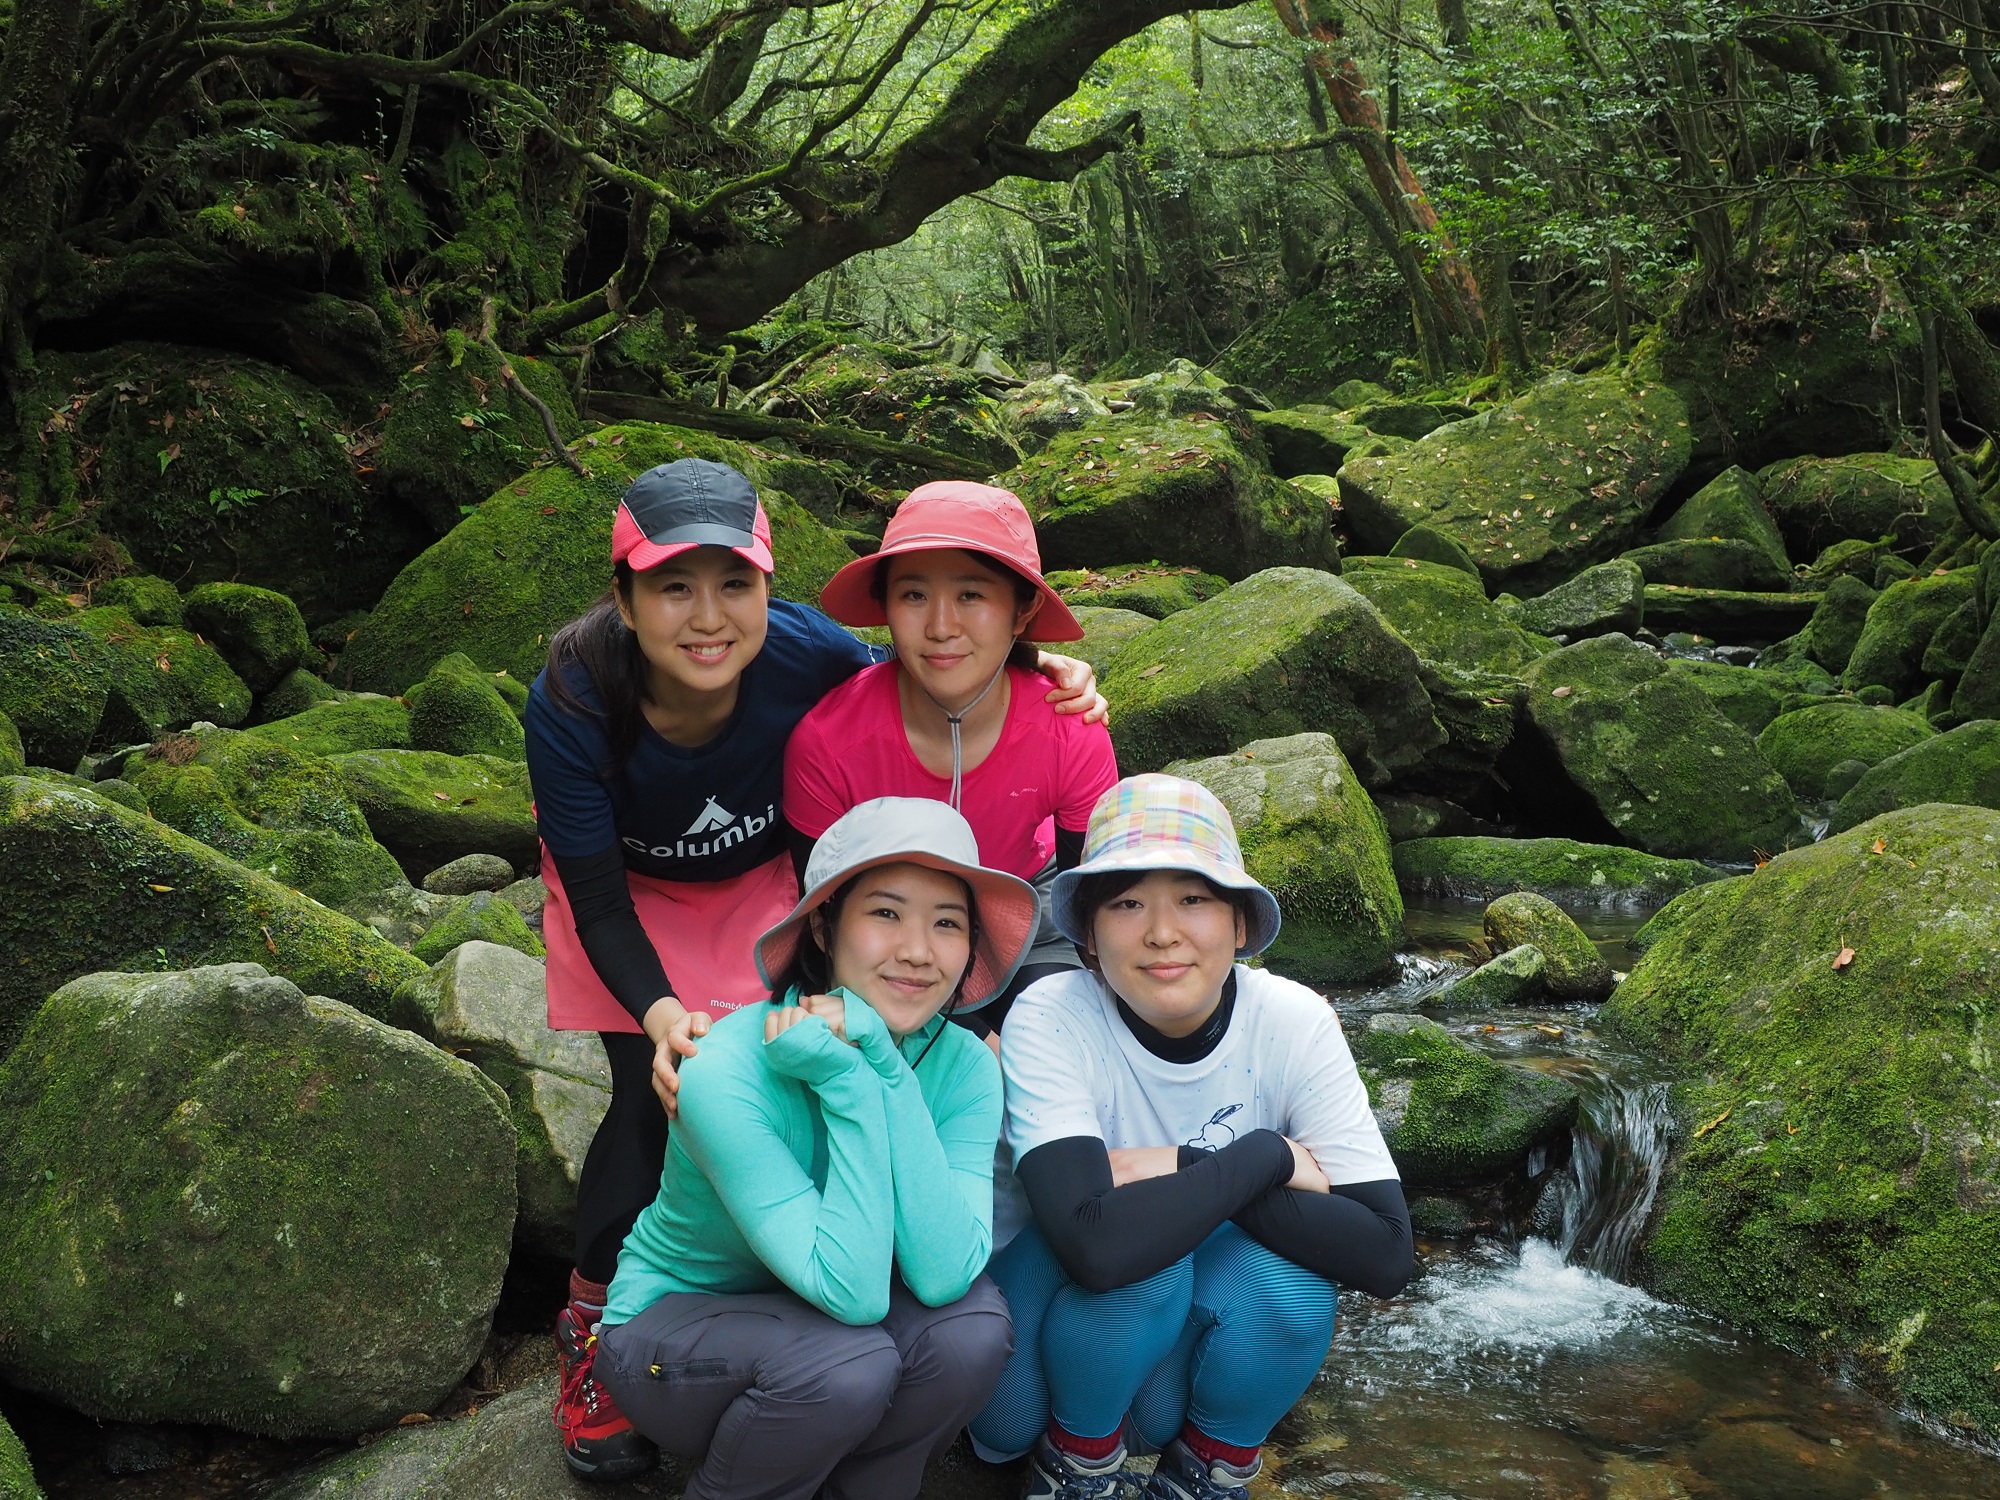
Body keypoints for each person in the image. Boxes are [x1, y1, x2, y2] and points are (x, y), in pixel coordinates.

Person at [525, 458, 1104, 1479]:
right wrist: (660, 1014)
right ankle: (595, 1325)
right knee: (646, 1091)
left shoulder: (806, 652)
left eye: (733, 585)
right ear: (621, 598)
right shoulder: (574, 699)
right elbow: (598, 898)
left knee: (790, 1068)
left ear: (767, 585)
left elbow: (925, 675)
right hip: (625, 898)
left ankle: (798, 1251)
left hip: (758, 880)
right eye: (671, 587)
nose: (707, 618)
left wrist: (1043, 674)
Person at [970, 774, 1413, 1500]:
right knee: (1147, 1256)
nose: (1162, 931)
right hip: (1038, 1359)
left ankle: (1204, 1467)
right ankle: (1074, 1464)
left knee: (1295, 1287)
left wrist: (1178, 1167)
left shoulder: (1292, 1020)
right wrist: (1264, 1157)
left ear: (1240, 925)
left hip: (1159, 1372)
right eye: (1127, 903)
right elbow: (1096, 1245)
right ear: (1086, 934)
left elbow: (1388, 1254)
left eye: (1195, 899)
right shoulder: (1053, 1013)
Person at [593, 796, 1036, 1500]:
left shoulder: (966, 1066)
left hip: (832, 1318)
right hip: (678, 1328)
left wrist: (883, 1069)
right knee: (844, 1364)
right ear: (825, 929)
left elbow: (946, 1273)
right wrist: (849, 1083)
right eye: (886, 913)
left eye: (947, 923)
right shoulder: (725, 1071)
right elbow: (854, 1297)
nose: (919, 951)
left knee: (971, 1332)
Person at [785, 481, 1120, 1038]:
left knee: (1058, 1033)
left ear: (1023, 610)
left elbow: (1089, 911)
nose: (941, 627)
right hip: (890, 924)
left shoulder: (1066, 728)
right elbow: (822, 914)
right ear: (886, 606)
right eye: (914, 595)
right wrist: (966, 1033)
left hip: (1026, 903)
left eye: (971, 595)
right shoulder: (828, 741)